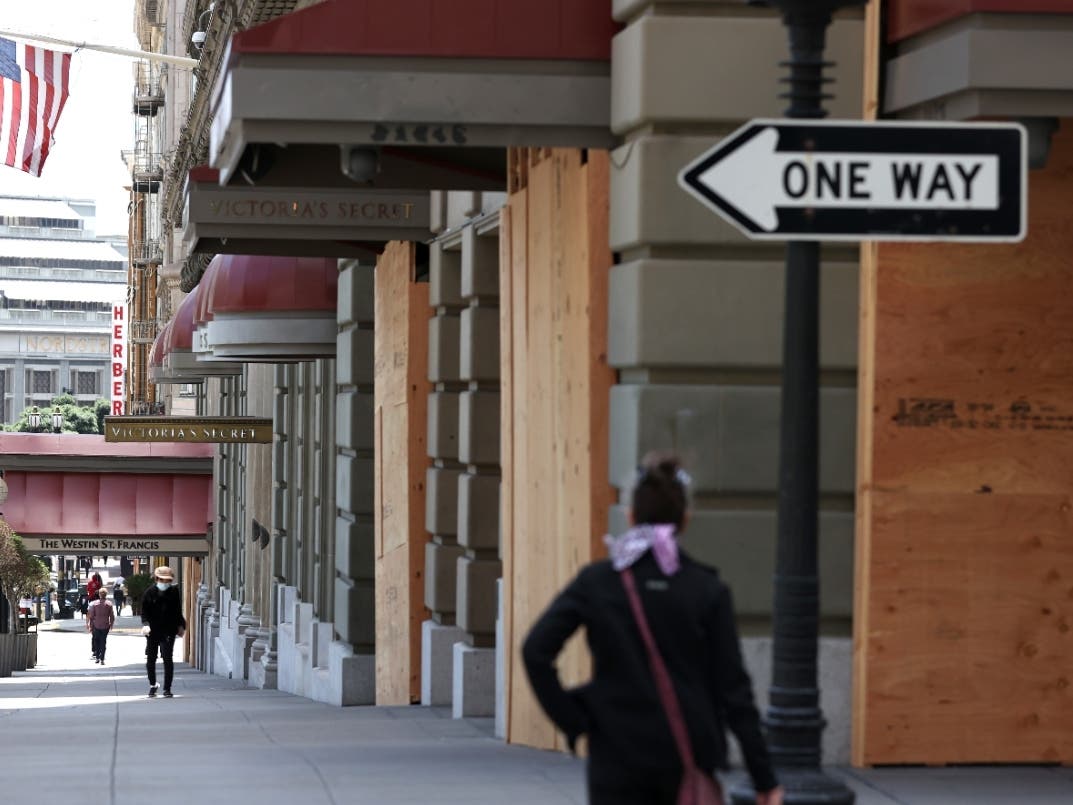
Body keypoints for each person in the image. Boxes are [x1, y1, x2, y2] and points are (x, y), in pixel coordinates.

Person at [522, 452, 783, 805]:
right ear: (684, 520)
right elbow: (734, 690)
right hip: (686, 751)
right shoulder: (706, 589)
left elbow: (535, 650)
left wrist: (576, 719)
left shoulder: (598, 582)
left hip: (617, 751)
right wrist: (763, 776)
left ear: (631, 516)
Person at [140, 566, 186, 698]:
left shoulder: (174, 592)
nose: (165, 583)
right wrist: (146, 625)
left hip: (168, 630)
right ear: (157, 579)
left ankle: (167, 688)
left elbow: (177, 611)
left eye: (168, 581)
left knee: (167, 658)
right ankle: (153, 685)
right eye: (162, 580)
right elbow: (144, 613)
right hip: (153, 631)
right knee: (151, 659)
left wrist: (181, 625)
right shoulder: (149, 593)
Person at [86, 586, 115, 664]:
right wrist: (111, 624)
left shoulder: (95, 604)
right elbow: (112, 616)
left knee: (97, 641)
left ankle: (97, 657)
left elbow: (91, 616)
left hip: (96, 625)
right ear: (106, 594)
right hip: (105, 626)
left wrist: (90, 626)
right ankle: (102, 659)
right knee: (103, 642)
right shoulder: (109, 604)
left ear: (99, 594)